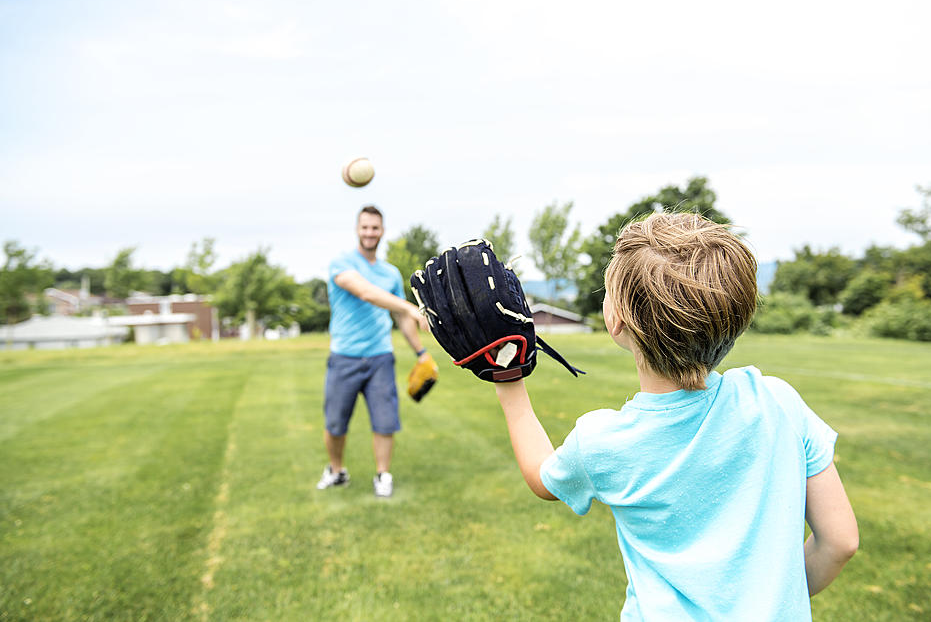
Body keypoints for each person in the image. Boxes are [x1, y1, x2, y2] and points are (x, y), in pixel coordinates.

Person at [494, 212, 858, 620]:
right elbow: (840, 542)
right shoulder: (777, 401)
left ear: (616, 321)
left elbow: (543, 478)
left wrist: (506, 376)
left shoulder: (603, 442)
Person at [317, 205, 432, 498]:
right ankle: (336, 470)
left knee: (384, 421)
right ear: (357, 229)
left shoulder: (390, 273)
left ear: (382, 231)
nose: (370, 233)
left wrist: (421, 352)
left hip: (380, 356)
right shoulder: (341, 264)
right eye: (365, 227)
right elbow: (367, 293)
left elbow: (400, 319)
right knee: (335, 424)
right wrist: (410, 306)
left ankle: (383, 475)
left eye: (375, 228)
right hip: (344, 356)